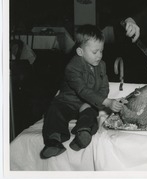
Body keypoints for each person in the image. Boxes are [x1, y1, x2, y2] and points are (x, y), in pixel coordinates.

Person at [40, 24, 126, 159]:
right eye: (95, 52)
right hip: (67, 102)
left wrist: (98, 102)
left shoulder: (101, 65)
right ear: (80, 52)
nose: (99, 56)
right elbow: (82, 90)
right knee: (54, 110)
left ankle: (82, 133)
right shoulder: (72, 67)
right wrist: (107, 102)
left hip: (86, 103)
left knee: (90, 114)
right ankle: (54, 140)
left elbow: (104, 87)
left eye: (101, 51)